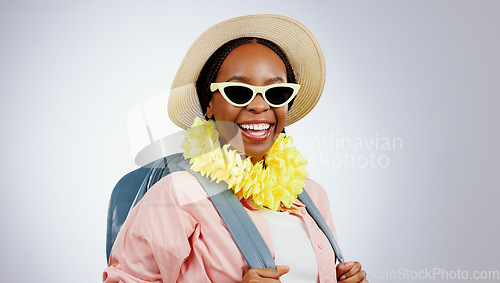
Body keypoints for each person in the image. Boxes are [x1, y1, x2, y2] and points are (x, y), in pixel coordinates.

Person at [104, 14, 368, 282]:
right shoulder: (178, 194)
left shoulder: (312, 196)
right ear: (209, 104)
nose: (259, 106)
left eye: (276, 93)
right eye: (239, 92)